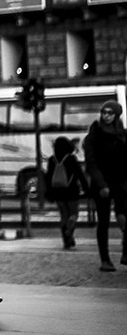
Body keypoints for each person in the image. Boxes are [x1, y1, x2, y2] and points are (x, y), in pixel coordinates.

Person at [83, 99, 127, 271]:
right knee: (103, 222)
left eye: (110, 113)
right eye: (104, 112)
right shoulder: (94, 135)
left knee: (125, 216)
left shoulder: (122, 134)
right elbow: (91, 163)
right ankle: (105, 259)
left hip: (121, 183)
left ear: (116, 115)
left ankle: (125, 252)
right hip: (102, 185)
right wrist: (101, 184)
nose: (106, 116)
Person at [43, 136, 88, 250]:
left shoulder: (52, 160)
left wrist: (49, 192)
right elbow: (80, 175)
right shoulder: (71, 159)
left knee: (63, 216)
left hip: (58, 192)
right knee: (73, 215)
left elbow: (48, 177)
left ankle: (66, 240)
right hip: (71, 191)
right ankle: (69, 230)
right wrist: (86, 189)